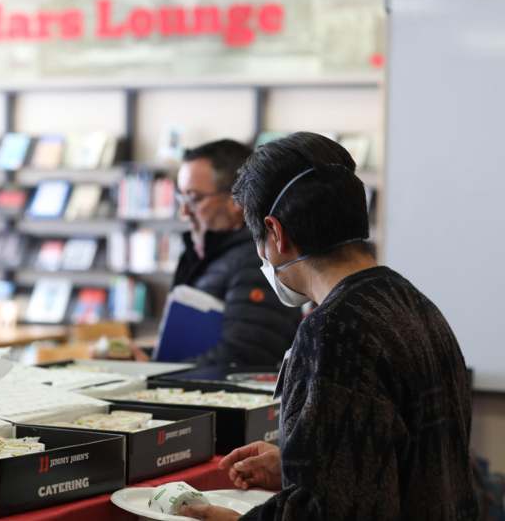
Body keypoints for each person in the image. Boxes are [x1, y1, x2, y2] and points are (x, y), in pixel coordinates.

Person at [180, 132, 478, 520]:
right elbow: (394, 459)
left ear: (275, 233)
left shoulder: (333, 332)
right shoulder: (414, 303)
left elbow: (328, 512)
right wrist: (296, 465)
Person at [170, 139, 301, 367]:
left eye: (193, 198)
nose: (183, 211)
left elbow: (245, 355)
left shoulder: (259, 261)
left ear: (236, 199)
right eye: (180, 197)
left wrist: (159, 372)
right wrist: (146, 358)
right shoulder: (206, 255)